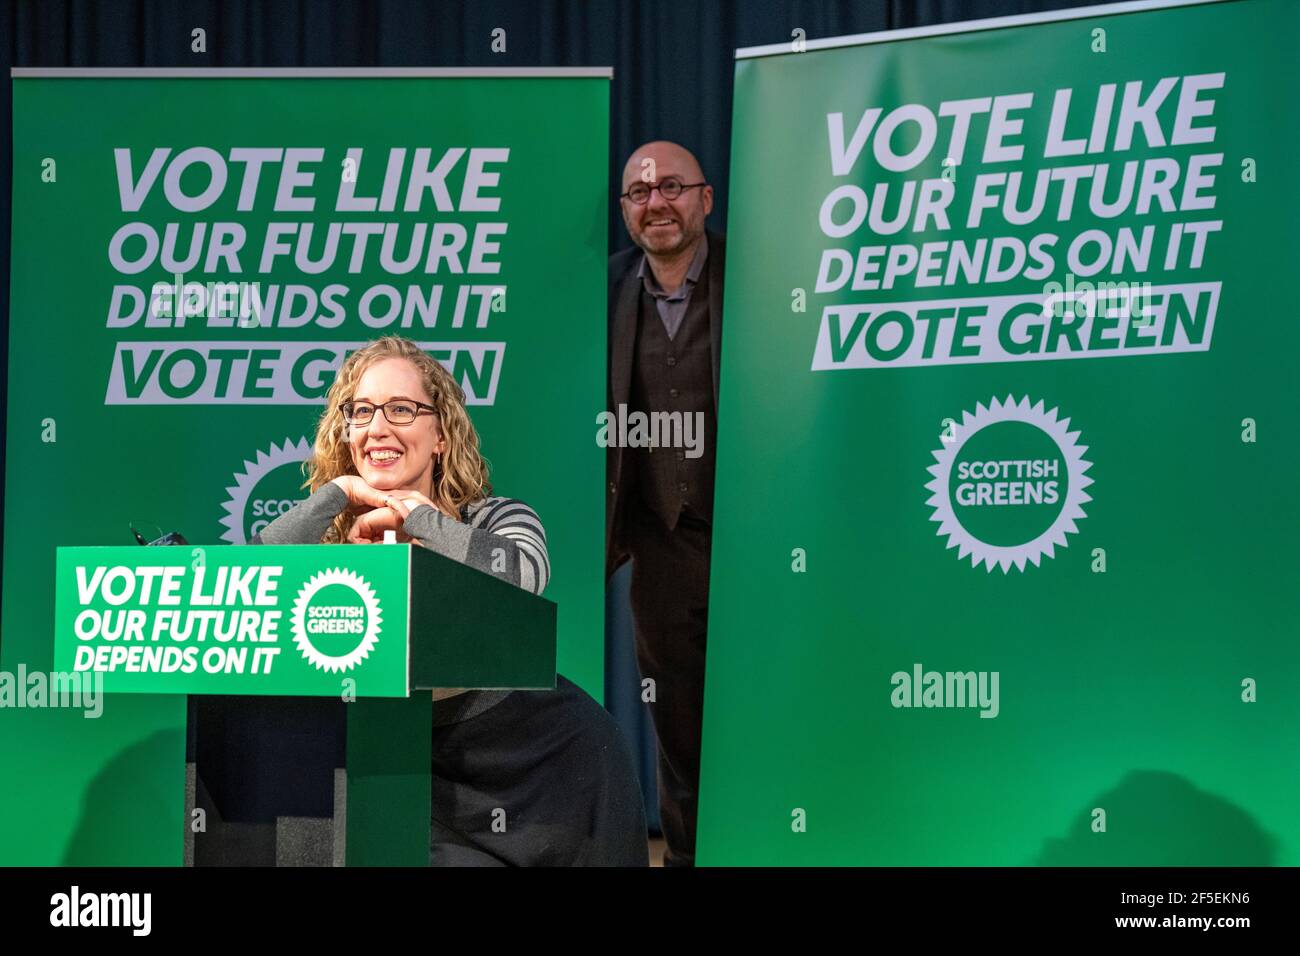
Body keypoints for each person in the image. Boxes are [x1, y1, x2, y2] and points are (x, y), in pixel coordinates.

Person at [236, 334, 648, 866]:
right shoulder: (331, 534)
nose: (378, 427)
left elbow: (523, 575)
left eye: (401, 410)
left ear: (441, 437)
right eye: (361, 412)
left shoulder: (492, 518)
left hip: (531, 759)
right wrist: (337, 493)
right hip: (397, 762)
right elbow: (248, 580)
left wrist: (421, 520)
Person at [607, 141, 725, 867]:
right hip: (660, 548)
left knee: (773, 711)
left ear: (705, 199)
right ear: (626, 212)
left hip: (768, 546)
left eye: (673, 187)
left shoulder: (766, 277)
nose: (657, 202)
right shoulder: (604, 291)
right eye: (640, 192)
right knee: (678, 733)